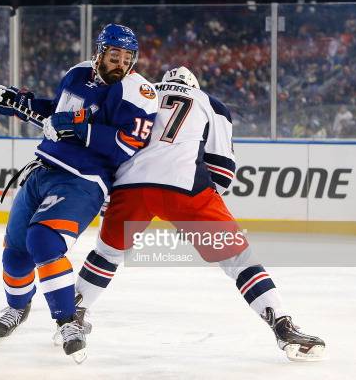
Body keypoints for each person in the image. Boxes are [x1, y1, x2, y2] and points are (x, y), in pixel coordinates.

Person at [74, 67, 326, 362]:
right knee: (239, 261)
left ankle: (72, 317)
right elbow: (222, 170)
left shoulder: (140, 92)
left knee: (107, 254)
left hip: (130, 186)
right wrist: (199, 206)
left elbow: (112, 146)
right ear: (193, 84)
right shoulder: (209, 102)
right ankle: (282, 325)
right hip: (186, 188)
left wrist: (111, 195)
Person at [0, 24, 158, 363]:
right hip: (42, 169)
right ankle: (17, 307)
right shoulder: (78, 73)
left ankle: (69, 322)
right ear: (100, 53)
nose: (121, 63)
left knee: (44, 241)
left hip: (84, 179)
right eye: (115, 55)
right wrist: (18, 102)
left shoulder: (139, 92)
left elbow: (127, 144)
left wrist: (80, 128)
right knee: (15, 253)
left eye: (127, 57)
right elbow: (55, 114)